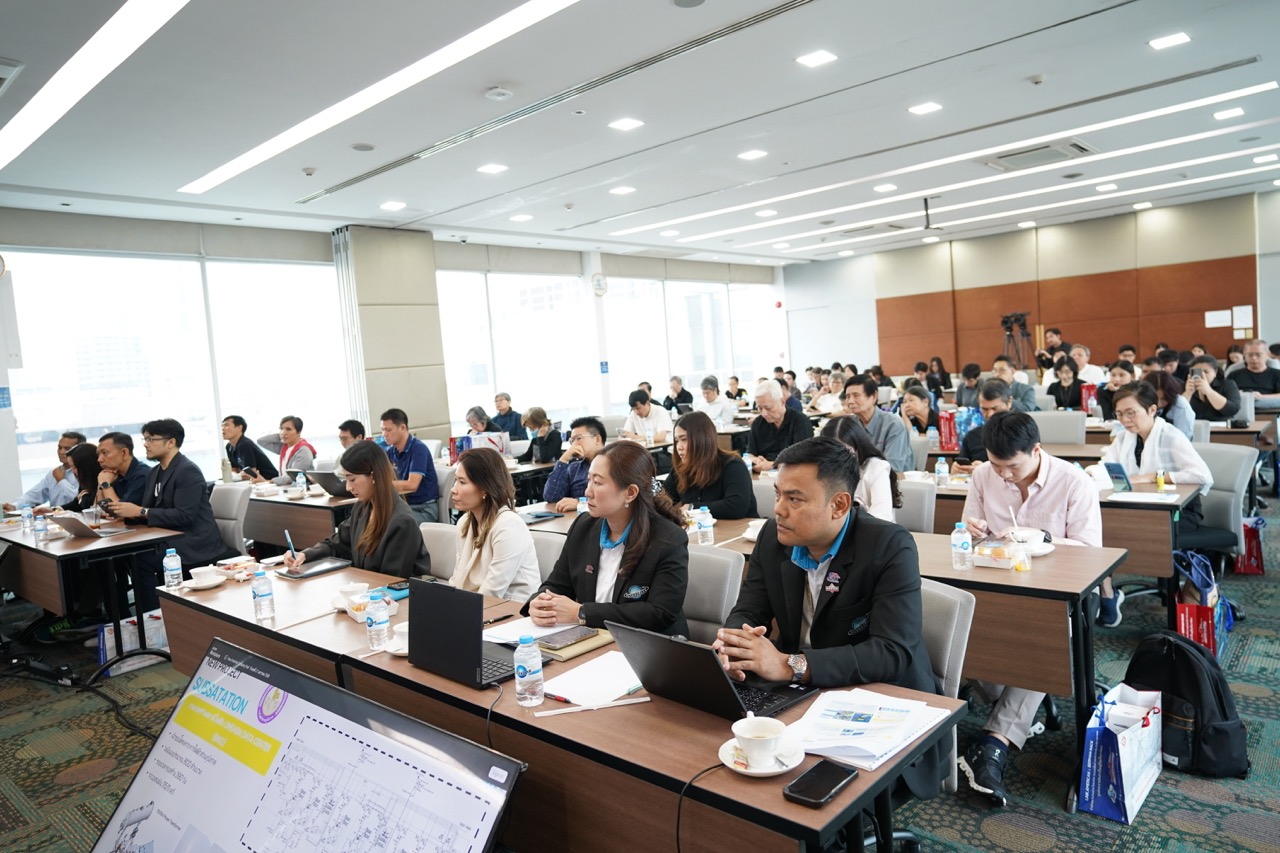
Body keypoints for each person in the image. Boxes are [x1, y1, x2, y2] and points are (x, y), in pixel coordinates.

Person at [714, 437, 942, 801]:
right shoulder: (774, 536)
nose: (778, 510)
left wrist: (791, 665)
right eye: (777, 495)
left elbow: (891, 651)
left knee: (806, 802)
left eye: (794, 499)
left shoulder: (888, 545)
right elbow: (749, 609)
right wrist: (733, 644)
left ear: (839, 505)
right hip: (803, 698)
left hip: (876, 702)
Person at [957, 412, 1102, 807]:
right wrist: (972, 529)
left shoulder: (1074, 482)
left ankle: (994, 741)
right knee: (955, 628)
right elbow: (971, 529)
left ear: (1036, 450)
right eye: (996, 465)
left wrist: (1043, 537)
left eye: (1012, 466)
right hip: (998, 583)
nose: (1004, 475)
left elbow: (1091, 552)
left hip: (1056, 594)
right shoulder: (983, 475)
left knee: (1043, 641)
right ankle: (1020, 701)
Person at [524, 441, 689, 635]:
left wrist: (582, 612)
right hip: (594, 639)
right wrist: (539, 602)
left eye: (598, 483)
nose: (587, 492)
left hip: (647, 645)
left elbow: (659, 613)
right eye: (589, 480)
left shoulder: (668, 539)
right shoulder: (583, 527)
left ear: (630, 493)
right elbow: (556, 585)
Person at [1101, 382, 1213, 625]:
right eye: (1119, 414)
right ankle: (1107, 593)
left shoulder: (1171, 436)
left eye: (1131, 412)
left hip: (1179, 514)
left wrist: (1154, 476)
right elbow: (1105, 467)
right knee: (1099, 528)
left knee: (1134, 531)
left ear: (1152, 409)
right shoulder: (1123, 438)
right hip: (1136, 508)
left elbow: (1202, 475)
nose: (1125, 420)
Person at [106, 419, 230, 614]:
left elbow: (184, 516)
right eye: (145, 439)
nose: (146, 444)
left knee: (141, 560)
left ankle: (154, 618)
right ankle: (128, 617)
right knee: (124, 556)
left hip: (192, 541)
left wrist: (140, 511)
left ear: (171, 442)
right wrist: (128, 513)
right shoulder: (155, 472)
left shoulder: (187, 470)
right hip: (167, 536)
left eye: (151, 439)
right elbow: (149, 509)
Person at [284, 441, 430, 579]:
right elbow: (338, 542)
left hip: (395, 594)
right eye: (346, 480)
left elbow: (392, 580)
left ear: (373, 476)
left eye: (352, 479)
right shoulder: (362, 506)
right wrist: (305, 555)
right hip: (369, 588)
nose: (348, 487)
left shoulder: (402, 521)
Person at [448, 448, 540, 601]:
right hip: (476, 603)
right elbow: (458, 576)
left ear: (485, 488)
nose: (453, 489)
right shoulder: (465, 522)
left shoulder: (509, 526)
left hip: (513, 607)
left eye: (462, 482)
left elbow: (493, 591)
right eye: (456, 480)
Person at [662, 412, 756, 518]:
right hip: (700, 528)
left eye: (684, 439)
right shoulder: (681, 469)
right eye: (676, 441)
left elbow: (736, 506)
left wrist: (692, 508)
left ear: (702, 439)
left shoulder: (733, 466)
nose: (679, 447)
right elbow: (662, 499)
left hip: (742, 527)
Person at [819, 415, 901, 521]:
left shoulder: (876, 468)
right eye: (832, 452)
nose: (839, 458)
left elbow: (882, 516)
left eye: (845, 451)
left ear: (858, 447)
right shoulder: (823, 470)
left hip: (873, 529)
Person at [841, 374, 913, 473]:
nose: (850, 401)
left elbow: (892, 468)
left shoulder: (894, 425)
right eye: (847, 396)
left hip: (894, 479)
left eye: (856, 395)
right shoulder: (850, 424)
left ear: (874, 397)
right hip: (860, 478)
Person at [380, 408, 439, 523]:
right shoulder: (391, 451)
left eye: (388, 430)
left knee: (389, 524)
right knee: (373, 519)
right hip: (405, 507)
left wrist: (382, 485)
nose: (384, 434)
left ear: (402, 427)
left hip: (423, 509)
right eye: (382, 430)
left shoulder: (418, 449)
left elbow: (412, 485)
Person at [3, 431, 84, 511]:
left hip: (77, 517)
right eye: (59, 448)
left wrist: (61, 481)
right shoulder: (54, 473)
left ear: (79, 451)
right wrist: (15, 506)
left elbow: (79, 500)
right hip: (54, 516)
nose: (61, 452)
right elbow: (34, 494)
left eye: (67, 448)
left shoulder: (84, 471)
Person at [748, 379, 813, 472]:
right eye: (759, 408)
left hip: (792, 475)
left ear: (782, 401)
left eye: (768, 408)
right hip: (762, 475)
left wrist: (772, 465)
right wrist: (755, 460)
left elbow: (803, 461)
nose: (764, 413)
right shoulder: (758, 423)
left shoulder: (800, 421)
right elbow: (750, 453)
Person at [543, 416, 606, 512]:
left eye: (579, 438)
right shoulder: (574, 468)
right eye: (572, 440)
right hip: (576, 519)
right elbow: (551, 497)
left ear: (597, 439)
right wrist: (563, 459)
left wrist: (580, 503)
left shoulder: (614, 465)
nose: (574, 445)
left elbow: (614, 497)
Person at [951, 380, 1013, 474]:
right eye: (984, 409)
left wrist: (985, 469)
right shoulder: (972, 436)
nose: (990, 414)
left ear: (1009, 402)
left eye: (995, 408)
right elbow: (962, 467)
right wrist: (958, 470)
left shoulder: (1022, 432)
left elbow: (1025, 469)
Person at [255, 416, 315, 485]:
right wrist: (282, 436)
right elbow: (261, 441)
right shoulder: (284, 447)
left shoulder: (304, 451)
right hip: (286, 487)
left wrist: (267, 482)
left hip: (301, 488)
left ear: (299, 432)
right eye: (281, 429)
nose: (283, 432)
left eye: (288, 429)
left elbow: (292, 477)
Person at [95, 432, 151, 506]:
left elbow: (122, 510)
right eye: (98, 454)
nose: (99, 459)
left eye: (104, 452)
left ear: (124, 453)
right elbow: (97, 509)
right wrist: (101, 485)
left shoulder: (142, 475)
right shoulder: (112, 474)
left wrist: (105, 484)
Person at [1182, 355, 1240, 421]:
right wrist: (1188, 393)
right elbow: (1177, 412)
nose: (1202, 375)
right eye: (1197, 372)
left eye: (1206, 372)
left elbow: (1232, 410)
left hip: (1220, 424)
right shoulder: (1185, 385)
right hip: (1193, 424)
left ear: (1215, 372)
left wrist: (1208, 391)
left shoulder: (1228, 384)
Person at [45, 443, 100, 513]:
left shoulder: (103, 478)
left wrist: (84, 495)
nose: (73, 471)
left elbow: (88, 505)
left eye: (75, 467)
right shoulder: (86, 480)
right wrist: (55, 509)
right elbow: (77, 503)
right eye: (71, 467)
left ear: (86, 466)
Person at [221, 415, 279, 481]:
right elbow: (234, 470)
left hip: (268, 480)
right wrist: (236, 475)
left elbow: (251, 473)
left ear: (239, 428)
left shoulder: (245, 444)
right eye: (222, 426)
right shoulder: (229, 446)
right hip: (253, 481)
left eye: (226, 425)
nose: (222, 428)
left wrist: (237, 476)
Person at [1143, 370, 1194, 440]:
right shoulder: (1139, 402)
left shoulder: (1181, 406)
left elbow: (1183, 439)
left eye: (1163, 399)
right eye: (1154, 398)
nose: (1158, 404)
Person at [1231, 339, 1280, 410]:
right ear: (1244, 355)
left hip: (1270, 411)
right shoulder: (1234, 375)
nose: (1254, 358)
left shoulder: (1277, 374)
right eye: (1250, 355)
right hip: (1241, 410)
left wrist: (1261, 397)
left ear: (1268, 354)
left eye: (1258, 355)